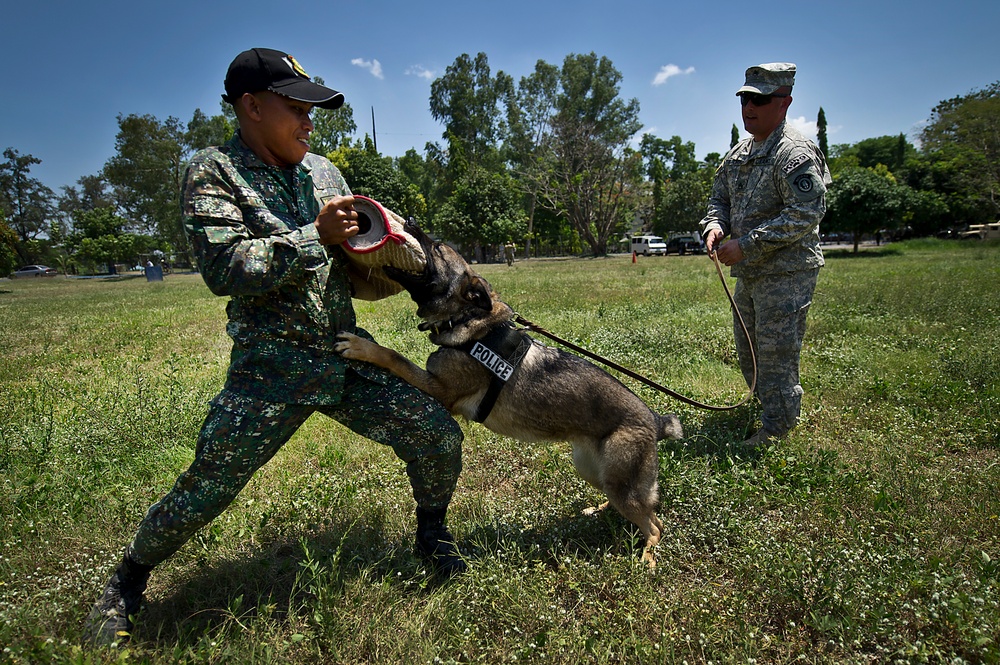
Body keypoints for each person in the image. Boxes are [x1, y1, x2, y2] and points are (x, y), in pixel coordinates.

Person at [83, 47, 466, 648]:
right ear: (252, 106)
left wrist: (387, 263)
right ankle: (128, 579)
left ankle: (432, 532)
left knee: (437, 434)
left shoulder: (325, 175)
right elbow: (224, 267)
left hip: (346, 353)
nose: (309, 125)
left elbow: (353, 270)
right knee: (207, 486)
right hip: (270, 370)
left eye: (312, 111)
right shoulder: (214, 171)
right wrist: (313, 236)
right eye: (296, 109)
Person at [700, 62, 831, 449]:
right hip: (750, 272)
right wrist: (714, 226)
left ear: (784, 102)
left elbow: (806, 212)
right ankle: (766, 409)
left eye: (760, 99)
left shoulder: (795, 153)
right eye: (745, 99)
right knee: (749, 351)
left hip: (787, 273)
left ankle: (776, 429)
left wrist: (747, 244)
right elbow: (718, 199)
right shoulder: (739, 153)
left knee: (776, 355)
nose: (749, 108)